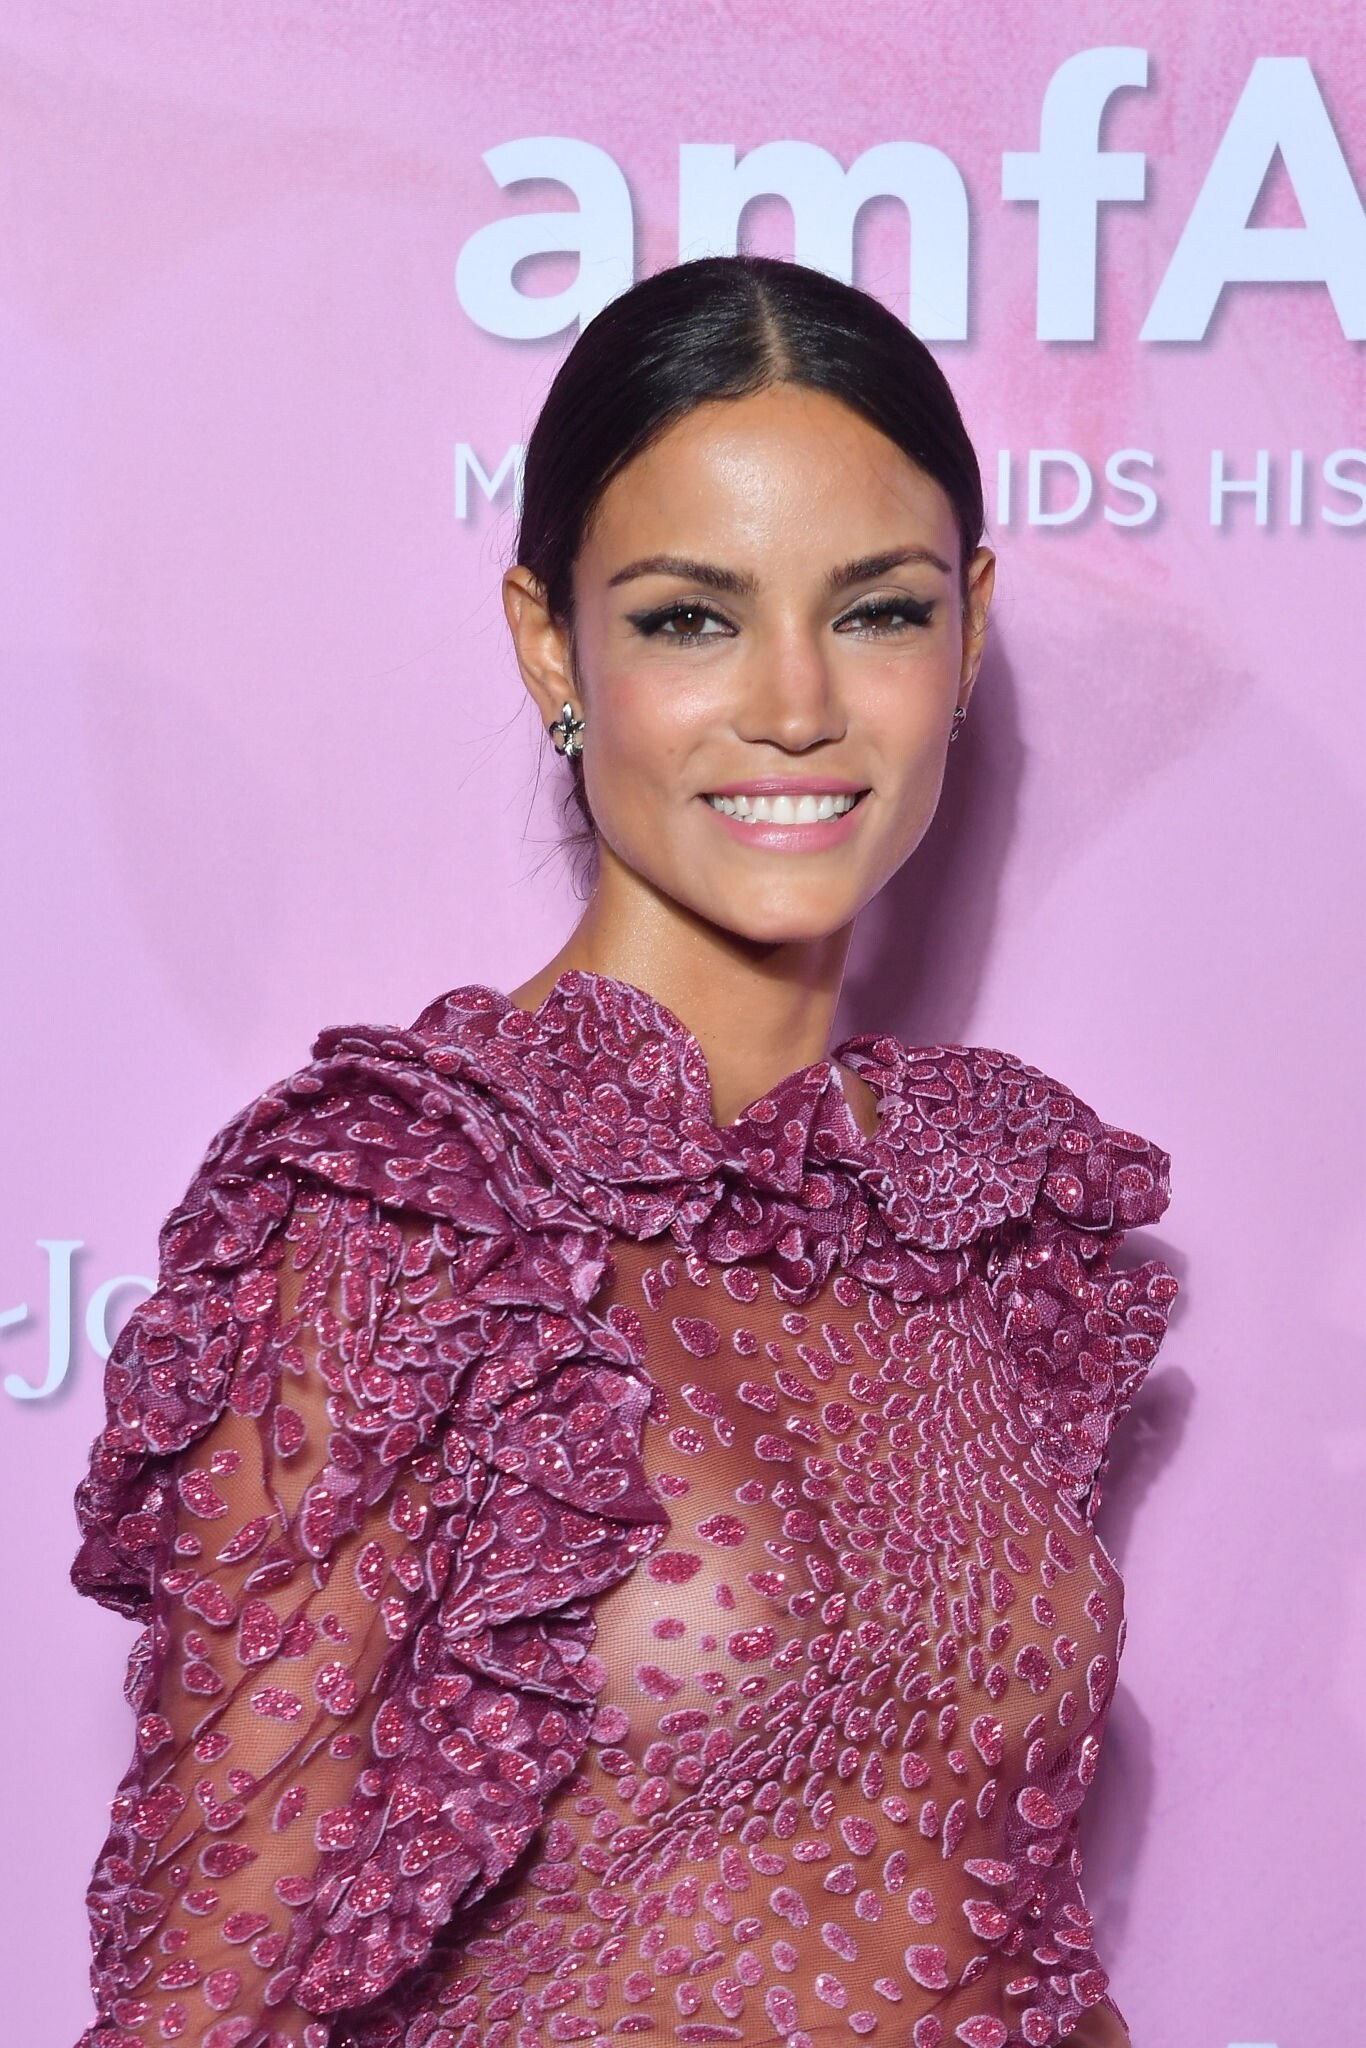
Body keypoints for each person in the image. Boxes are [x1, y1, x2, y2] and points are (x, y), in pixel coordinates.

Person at [71, 255, 1177, 2048]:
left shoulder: (979, 1210)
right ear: (548, 643)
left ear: (967, 632)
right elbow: (207, 1993)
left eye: (877, 610)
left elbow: (1001, 1915)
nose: (797, 703)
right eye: (688, 619)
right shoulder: (406, 1215)